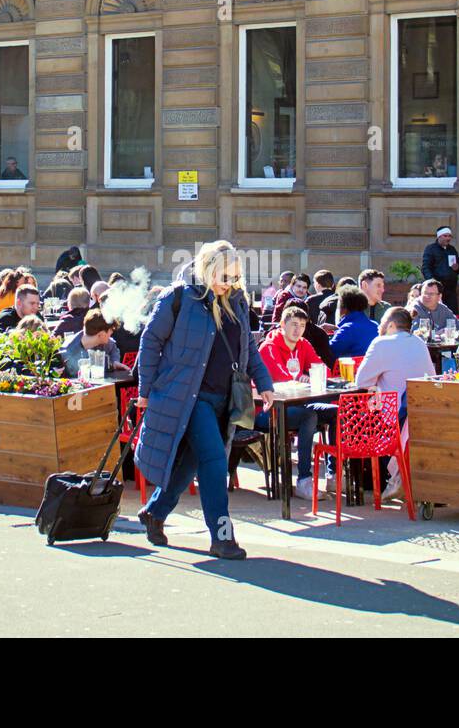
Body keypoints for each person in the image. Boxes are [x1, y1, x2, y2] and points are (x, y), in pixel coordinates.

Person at [134, 240, 275, 560]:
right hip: (187, 396)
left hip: (224, 397)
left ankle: (154, 512)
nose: (229, 283)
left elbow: (249, 349)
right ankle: (222, 537)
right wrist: (145, 390)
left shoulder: (237, 302)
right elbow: (150, 341)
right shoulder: (179, 298)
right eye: (225, 276)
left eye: (235, 277)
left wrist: (264, 383)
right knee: (213, 461)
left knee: (190, 462)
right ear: (208, 268)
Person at [256, 304, 338, 500]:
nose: (297, 329)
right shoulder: (268, 347)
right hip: (268, 410)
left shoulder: (303, 344)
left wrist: (314, 376)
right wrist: (303, 378)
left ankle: (333, 473)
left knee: (336, 412)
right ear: (282, 325)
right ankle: (304, 480)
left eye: (302, 325)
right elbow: (279, 377)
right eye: (293, 324)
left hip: (298, 404)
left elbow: (322, 369)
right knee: (309, 417)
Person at [354, 306, 435, 499]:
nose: (379, 328)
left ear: (390, 325)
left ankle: (362, 482)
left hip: (394, 418)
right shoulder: (419, 343)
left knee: (355, 418)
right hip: (421, 413)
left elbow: (361, 382)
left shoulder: (381, 343)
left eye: (381, 324)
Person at [59, 310, 128, 377]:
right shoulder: (69, 350)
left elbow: (113, 348)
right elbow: (76, 375)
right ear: (101, 334)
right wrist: (108, 365)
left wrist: (114, 362)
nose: (112, 333)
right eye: (110, 331)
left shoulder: (105, 342)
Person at [329, 285, 379, 359]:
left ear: (344, 306)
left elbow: (329, 351)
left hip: (349, 369)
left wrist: (321, 334)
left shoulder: (348, 328)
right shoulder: (375, 325)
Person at [422, 226, 459, 314]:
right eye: (445, 236)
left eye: (449, 236)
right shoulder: (431, 249)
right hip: (437, 289)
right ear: (439, 237)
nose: (448, 238)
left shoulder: (452, 249)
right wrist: (432, 282)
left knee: (452, 314)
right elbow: (425, 267)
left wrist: (458, 267)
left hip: (451, 289)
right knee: (436, 313)